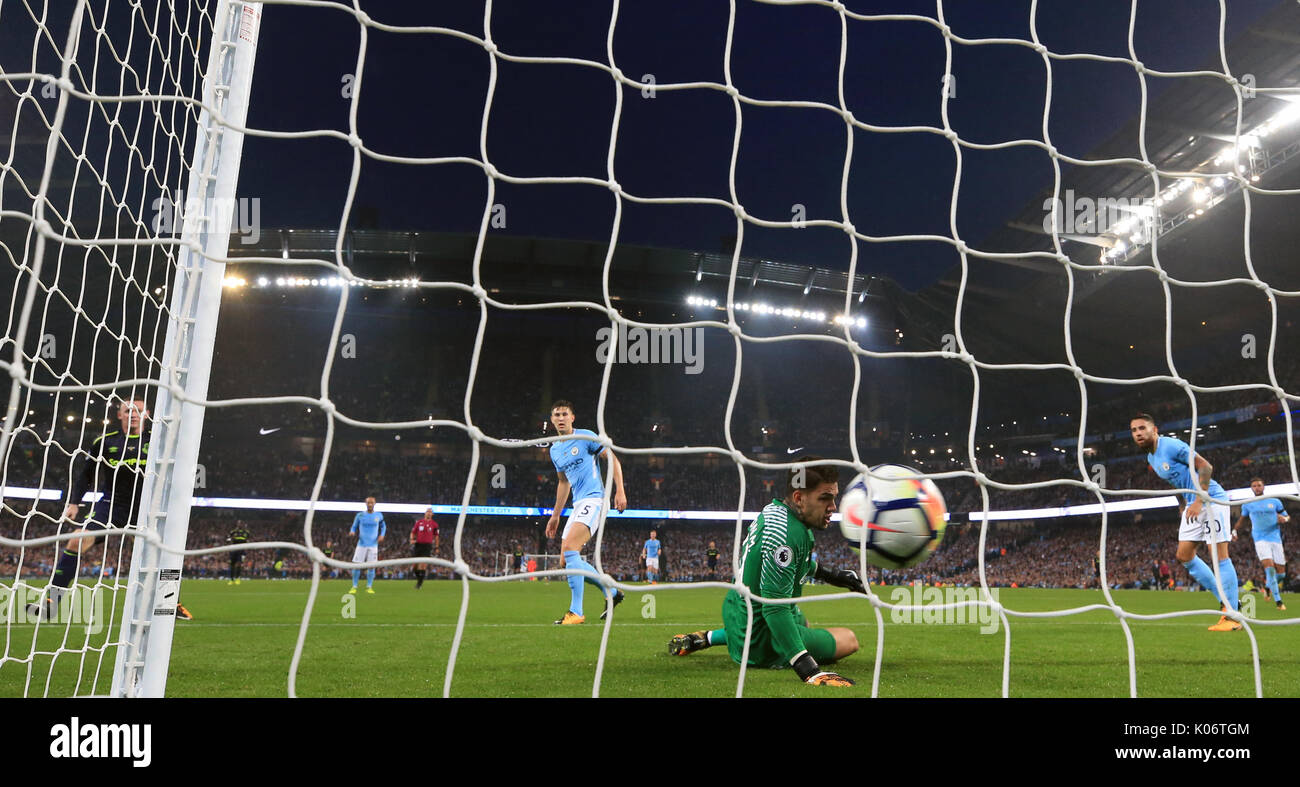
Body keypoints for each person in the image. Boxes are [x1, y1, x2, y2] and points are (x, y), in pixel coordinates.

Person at [667, 458, 863, 687]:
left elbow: (797, 565)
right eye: (825, 498)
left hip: (736, 615)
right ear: (799, 498)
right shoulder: (788, 536)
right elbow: (774, 608)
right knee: (849, 639)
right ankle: (755, 648)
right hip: (761, 640)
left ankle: (707, 638)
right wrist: (809, 670)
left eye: (834, 497)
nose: (833, 507)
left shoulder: (774, 511)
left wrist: (835, 576)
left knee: (800, 620)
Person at [29, 399, 193, 622]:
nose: (133, 414)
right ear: (120, 415)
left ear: (147, 414)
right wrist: (75, 502)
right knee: (77, 540)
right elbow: (86, 474)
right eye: (128, 411)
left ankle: (169, 604)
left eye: (138, 411)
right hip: (112, 506)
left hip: (147, 508)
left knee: (164, 554)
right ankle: (51, 603)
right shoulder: (104, 442)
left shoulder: (159, 441)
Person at [1130, 413, 1240, 631]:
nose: (1138, 433)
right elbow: (1178, 480)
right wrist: (1184, 503)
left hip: (1211, 500)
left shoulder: (1170, 446)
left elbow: (1206, 467)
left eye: (1142, 428)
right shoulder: (1151, 457)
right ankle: (1225, 600)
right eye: (1134, 430)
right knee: (1184, 555)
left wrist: (1199, 500)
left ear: (1155, 430)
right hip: (1193, 503)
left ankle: (1233, 616)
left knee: (1219, 556)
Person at [544, 400, 627, 624]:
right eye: (556, 415)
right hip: (577, 504)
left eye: (564, 414)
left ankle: (576, 612)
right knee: (565, 560)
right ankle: (611, 591)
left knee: (571, 548)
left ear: (572, 418)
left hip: (595, 499)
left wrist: (620, 490)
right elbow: (563, 483)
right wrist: (555, 515)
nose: (560, 418)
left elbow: (612, 458)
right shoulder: (554, 450)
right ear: (552, 420)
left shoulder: (585, 436)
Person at [1234, 477, 1290, 611]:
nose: (1257, 488)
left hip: (1275, 538)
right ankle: (1279, 602)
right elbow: (1242, 519)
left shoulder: (1275, 501)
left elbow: (1287, 516)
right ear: (1251, 488)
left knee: (1281, 574)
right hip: (1260, 539)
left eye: (1259, 485)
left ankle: (1268, 587)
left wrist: (1285, 519)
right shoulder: (1248, 504)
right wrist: (1234, 530)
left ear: (1263, 487)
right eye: (1254, 486)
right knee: (1270, 568)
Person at [349, 496, 386, 594]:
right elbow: (354, 526)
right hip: (361, 544)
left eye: (372, 503)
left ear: (374, 503)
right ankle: (354, 586)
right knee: (357, 566)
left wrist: (382, 535)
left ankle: (369, 586)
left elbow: (383, 526)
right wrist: (352, 532)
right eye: (368, 503)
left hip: (373, 545)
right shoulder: (360, 515)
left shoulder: (379, 515)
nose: (370, 504)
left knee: (371, 566)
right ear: (366, 503)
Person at [410, 507, 438, 589]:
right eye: (427, 511)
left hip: (427, 546)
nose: (429, 513)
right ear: (425, 513)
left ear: (432, 514)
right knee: (415, 566)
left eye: (430, 512)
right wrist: (412, 539)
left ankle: (419, 584)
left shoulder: (434, 524)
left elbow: (436, 537)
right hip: (418, 545)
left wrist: (436, 547)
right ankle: (419, 580)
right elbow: (413, 532)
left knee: (423, 565)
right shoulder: (419, 522)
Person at [227, 520, 250, 585]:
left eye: (241, 523)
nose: (240, 525)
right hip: (234, 550)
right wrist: (231, 539)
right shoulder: (233, 532)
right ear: (237, 524)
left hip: (242, 550)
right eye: (239, 523)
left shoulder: (246, 532)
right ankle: (231, 580)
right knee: (232, 565)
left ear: (243, 524)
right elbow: (228, 539)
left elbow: (248, 541)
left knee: (239, 564)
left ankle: (237, 578)